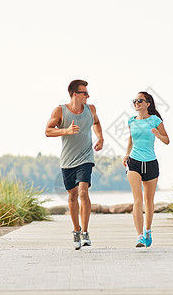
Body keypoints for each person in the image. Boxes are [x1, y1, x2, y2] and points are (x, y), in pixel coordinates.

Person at [45, 79, 104, 250]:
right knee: (72, 196)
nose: (88, 95)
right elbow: (48, 130)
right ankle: (76, 230)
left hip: (86, 158)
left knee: (83, 192)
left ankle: (85, 232)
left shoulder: (90, 109)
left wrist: (100, 138)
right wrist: (66, 131)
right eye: (85, 92)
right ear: (75, 94)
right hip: (68, 161)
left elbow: (97, 122)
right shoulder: (60, 111)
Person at [122, 91, 169, 248]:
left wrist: (157, 134)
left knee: (148, 200)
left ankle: (148, 230)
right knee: (138, 199)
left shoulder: (155, 120)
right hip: (134, 162)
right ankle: (140, 236)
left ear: (148, 104)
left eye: (140, 100)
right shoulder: (131, 121)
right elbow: (131, 139)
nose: (137, 103)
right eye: (135, 100)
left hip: (150, 163)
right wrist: (126, 155)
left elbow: (167, 140)